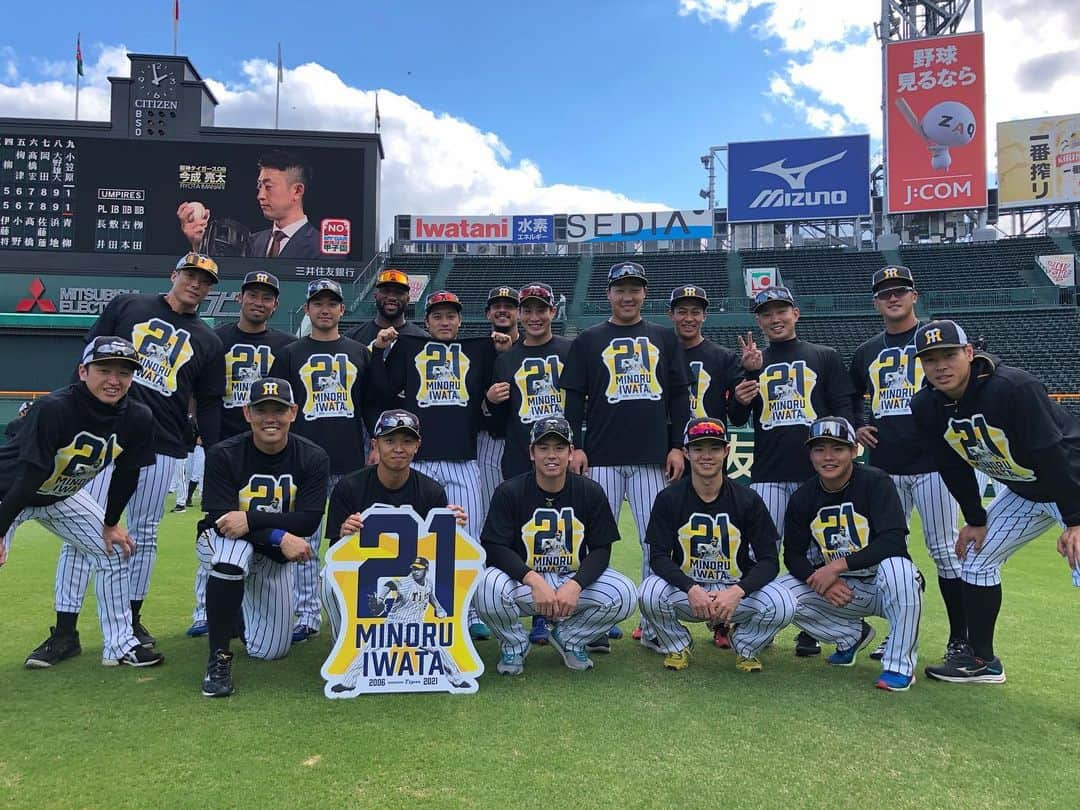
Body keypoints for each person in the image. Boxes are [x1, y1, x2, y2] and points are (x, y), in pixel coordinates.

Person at [55, 252, 225, 649]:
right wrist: (68, 411)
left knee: (144, 533)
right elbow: (86, 360)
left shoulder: (208, 340)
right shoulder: (128, 305)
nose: (196, 284)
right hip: (99, 433)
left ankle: (130, 619)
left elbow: (210, 401)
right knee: (83, 529)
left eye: (205, 280)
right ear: (174, 274)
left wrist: (216, 452)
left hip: (161, 440)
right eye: (190, 275)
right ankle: (64, 630)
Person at [911, 320, 1080, 684]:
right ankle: (982, 660)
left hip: (1071, 480)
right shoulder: (926, 405)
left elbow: (1052, 454)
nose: (940, 366)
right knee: (976, 558)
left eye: (950, 355)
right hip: (1026, 488)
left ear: (970, 353)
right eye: (929, 359)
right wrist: (974, 517)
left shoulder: (1013, 387)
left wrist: (1075, 520)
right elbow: (950, 463)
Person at [1, 337, 163, 668]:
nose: (114, 380)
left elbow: (126, 474)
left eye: (124, 372)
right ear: (83, 371)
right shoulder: (55, 407)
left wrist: (111, 523)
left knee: (113, 549)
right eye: (104, 370)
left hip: (57, 495)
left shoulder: (138, 416)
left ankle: (120, 645)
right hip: (9, 492)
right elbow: (29, 476)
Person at [368, 290, 513, 639]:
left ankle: (472, 609)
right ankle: (409, 605)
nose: (445, 322)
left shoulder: (478, 351)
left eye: (451, 316)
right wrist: (378, 351)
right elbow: (383, 389)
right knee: (414, 539)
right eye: (437, 316)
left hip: (463, 458)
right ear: (427, 322)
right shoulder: (408, 347)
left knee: (469, 537)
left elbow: (498, 404)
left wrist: (504, 355)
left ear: (460, 320)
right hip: (420, 463)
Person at [560, 261, 691, 644]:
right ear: (609, 294)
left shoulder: (665, 338)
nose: (628, 296)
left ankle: (654, 625)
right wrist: (575, 445)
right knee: (590, 542)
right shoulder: (588, 338)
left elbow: (680, 395)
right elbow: (574, 398)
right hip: (600, 456)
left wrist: (678, 446)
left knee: (657, 544)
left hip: (652, 458)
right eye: (621, 289)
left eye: (635, 289)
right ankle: (592, 623)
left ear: (644, 293)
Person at [728, 285, 855, 658]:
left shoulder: (823, 356)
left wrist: (844, 456)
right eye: (766, 313)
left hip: (817, 473)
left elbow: (842, 406)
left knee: (821, 552)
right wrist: (742, 389)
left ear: (795, 314)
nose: (774, 318)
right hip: (768, 470)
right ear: (758, 320)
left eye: (781, 311)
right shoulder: (753, 361)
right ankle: (760, 623)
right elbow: (737, 417)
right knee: (760, 550)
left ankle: (813, 629)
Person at [849, 266, 962, 663]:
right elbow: (851, 395)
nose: (892, 298)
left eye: (900, 291)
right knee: (889, 553)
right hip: (885, 467)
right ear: (875, 302)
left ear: (914, 295)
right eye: (884, 293)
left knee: (945, 551)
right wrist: (858, 424)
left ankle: (960, 640)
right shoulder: (867, 351)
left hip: (935, 462)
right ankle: (898, 634)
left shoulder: (937, 338)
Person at [474, 416, 637, 675]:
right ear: (531, 452)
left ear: (571, 452)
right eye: (544, 448)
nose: (552, 455)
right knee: (485, 587)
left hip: (569, 578)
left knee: (625, 593)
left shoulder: (590, 491)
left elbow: (601, 550)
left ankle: (569, 638)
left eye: (559, 448)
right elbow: (495, 547)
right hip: (524, 582)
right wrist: (533, 580)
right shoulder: (510, 491)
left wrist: (576, 584)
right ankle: (514, 644)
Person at [198, 377, 330, 697]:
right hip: (219, 541)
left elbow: (309, 521)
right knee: (233, 557)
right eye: (261, 410)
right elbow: (223, 521)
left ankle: (236, 611)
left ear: (293, 413)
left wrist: (257, 523)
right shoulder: (224, 453)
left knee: (269, 650)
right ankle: (219, 658)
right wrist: (278, 534)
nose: (270, 417)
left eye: (279, 410)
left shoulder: (312, 456)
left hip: (272, 553)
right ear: (247, 413)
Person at [777, 416, 924, 692]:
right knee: (778, 595)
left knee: (900, 570)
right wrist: (818, 578)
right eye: (820, 449)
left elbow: (893, 541)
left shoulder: (876, 481)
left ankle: (899, 666)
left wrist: (835, 568)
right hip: (842, 590)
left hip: (883, 585)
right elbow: (793, 555)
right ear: (810, 455)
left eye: (838, 448)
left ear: (854, 451)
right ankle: (851, 636)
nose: (828, 457)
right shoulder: (803, 497)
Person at [638, 417, 796, 672]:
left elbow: (769, 560)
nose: (706, 456)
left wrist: (738, 591)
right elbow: (658, 556)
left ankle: (745, 645)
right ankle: (677, 644)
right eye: (698, 448)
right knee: (649, 592)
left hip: (734, 590)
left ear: (726, 451)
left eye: (714, 448)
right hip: (689, 591)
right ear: (686, 453)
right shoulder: (669, 498)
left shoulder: (748, 499)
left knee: (784, 602)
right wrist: (690, 587)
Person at [269, 278, 374, 643]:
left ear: (342, 309)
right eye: (318, 303)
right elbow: (277, 410)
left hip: (350, 460)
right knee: (305, 540)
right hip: (304, 462)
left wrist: (374, 445)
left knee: (353, 540)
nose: (325, 309)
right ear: (308, 309)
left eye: (332, 303)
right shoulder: (290, 354)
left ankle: (355, 607)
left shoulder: (360, 352)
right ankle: (307, 613)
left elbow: (371, 407)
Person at [667, 282, 762, 650]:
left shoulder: (722, 357)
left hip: (710, 453)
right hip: (675, 452)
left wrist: (749, 379)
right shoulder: (661, 349)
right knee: (674, 539)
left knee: (718, 539)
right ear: (672, 314)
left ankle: (722, 618)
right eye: (682, 310)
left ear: (704, 315)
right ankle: (661, 616)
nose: (689, 317)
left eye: (696, 311)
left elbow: (738, 413)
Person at [321, 408, 467, 638]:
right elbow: (334, 552)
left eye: (407, 441)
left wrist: (453, 529)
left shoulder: (431, 492)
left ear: (417, 445)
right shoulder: (349, 487)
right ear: (375, 444)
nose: (399, 449)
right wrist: (344, 534)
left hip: (410, 577)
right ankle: (346, 641)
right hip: (364, 570)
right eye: (390, 440)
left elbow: (437, 557)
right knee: (329, 579)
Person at [486, 282, 571, 646]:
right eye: (528, 310)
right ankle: (538, 614)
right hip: (522, 457)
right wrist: (490, 402)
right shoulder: (505, 359)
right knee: (526, 540)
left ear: (553, 312)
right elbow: (494, 425)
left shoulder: (571, 349)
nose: (535, 317)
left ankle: (571, 608)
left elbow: (585, 405)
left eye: (542, 310)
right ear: (520, 314)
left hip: (563, 459)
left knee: (566, 538)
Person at [178, 150, 319, 259]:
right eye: (259, 187)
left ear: (297, 190)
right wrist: (197, 245)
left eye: (268, 187)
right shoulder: (251, 242)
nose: (260, 196)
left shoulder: (322, 247)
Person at [476, 285, 520, 509]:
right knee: (489, 508)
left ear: (518, 312)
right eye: (497, 306)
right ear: (488, 313)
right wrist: (487, 401)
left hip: (524, 439)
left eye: (509, 306)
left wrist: (509, 355)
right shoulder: (478, 350)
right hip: (490, 438)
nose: (502, 310)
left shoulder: (529, 348)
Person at [342, 268, 427, 346]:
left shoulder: (423, 339)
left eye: (399, 292)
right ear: (375, 296)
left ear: (408, 299)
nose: (392, 297)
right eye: (386, 291)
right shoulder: (352, 337)